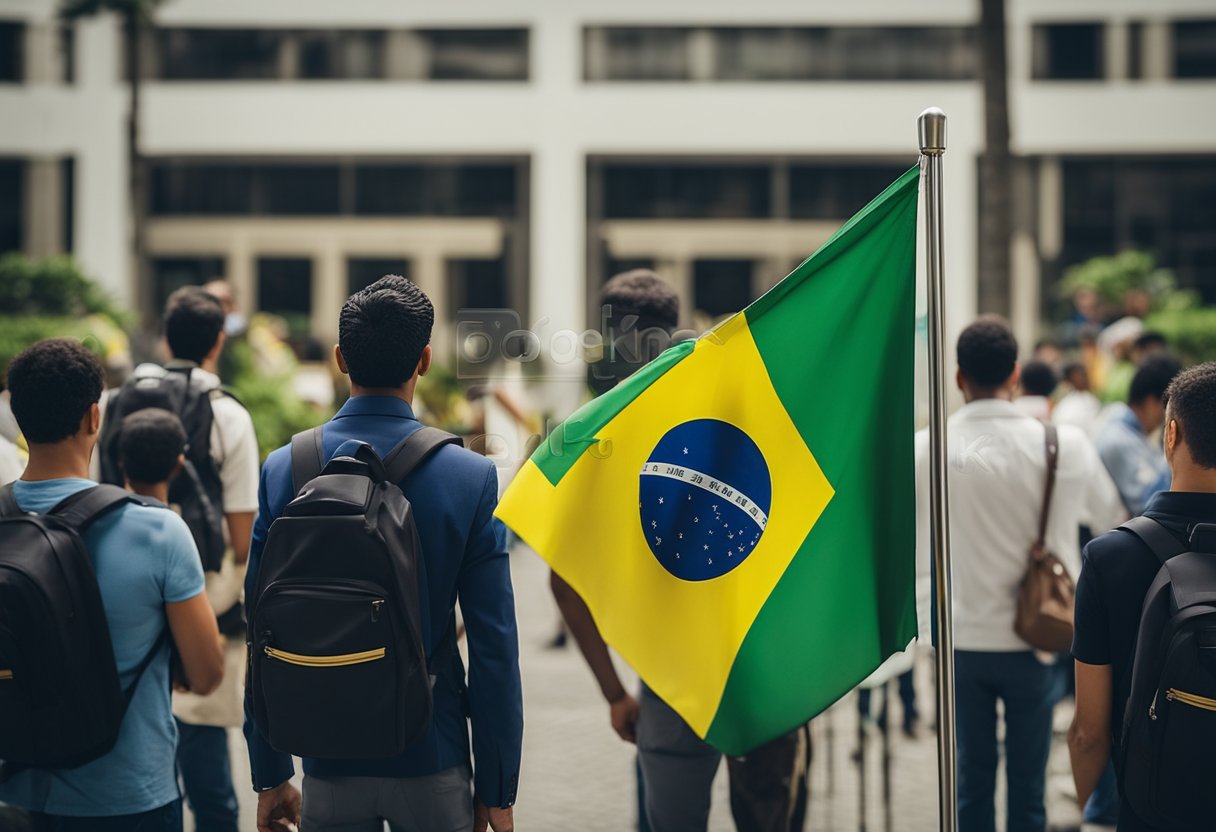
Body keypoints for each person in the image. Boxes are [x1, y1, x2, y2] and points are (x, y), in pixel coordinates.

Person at [244, 275, 522, 832]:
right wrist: (497, 786)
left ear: (341, 358)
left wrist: (270, 772)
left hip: (324, 758)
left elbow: (261, 627)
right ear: (424, 360)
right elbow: (494, 646)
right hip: (433, 755)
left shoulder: (286, 469)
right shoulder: (469, 478)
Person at [552, 269, 811, 832]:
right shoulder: (750, 401)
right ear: (673, 324)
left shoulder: (602, 433)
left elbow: (563, 587)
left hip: (671, 681)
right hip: (766, 672)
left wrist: (616, 695)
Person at [0, 339, 224, 831]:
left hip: (15, 790)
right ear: (94, 418)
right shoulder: (157, 530)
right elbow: (207, 676)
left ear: (18, 417)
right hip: (130, 798)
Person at [914, 317, 1123, 832]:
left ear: (959, 376)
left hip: (958, 638)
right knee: (1030, 789)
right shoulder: (1065, 446)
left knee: (970, 782)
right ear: (1014, 373)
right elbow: (1114, 525)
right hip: (1041, 638)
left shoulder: (925, 450)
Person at [97, 287, 260, 832]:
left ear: (167, 337)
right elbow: (243, 529)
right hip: (207, 595)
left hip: (119, 588)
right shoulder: (227, 414)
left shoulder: (121, 400)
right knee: (208, 767)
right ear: (219, 340)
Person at [1070, 361, 1216, 832]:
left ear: (1170, 435)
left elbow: (1089, 732)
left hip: (1149, 807)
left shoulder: (1109, 557)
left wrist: (1084, 803)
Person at [1094, 354, 1182, 516]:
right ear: (1151, 402)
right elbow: (1149, 505)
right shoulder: (1117, 440)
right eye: (1171, 409)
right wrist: (1175, 450)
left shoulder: (1132, 430)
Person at [1053, 363, 1102, 435]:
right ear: (1070, 379)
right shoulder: (1066, 405)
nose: (1085, 379)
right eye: (1080, 376)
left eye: (1085, 375)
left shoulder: (1090, 398)